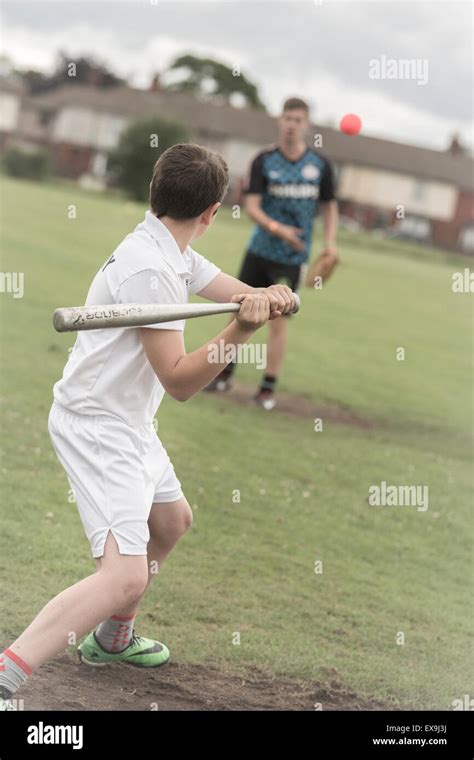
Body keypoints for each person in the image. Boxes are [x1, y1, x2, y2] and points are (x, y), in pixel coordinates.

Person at [0, 143, 296, 710]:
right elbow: (181, 381)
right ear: (212, 214)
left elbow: (230, 290)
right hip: (97, 424)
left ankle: (111, 641)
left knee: (171, 521)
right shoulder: (151, 269)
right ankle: (9, 676)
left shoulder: (170, 249)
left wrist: (264, 296)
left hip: (130, 421)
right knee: (123, 577)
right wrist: (241, 334)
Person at [206, 97, 338, 410]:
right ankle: (223, 374)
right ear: (281, 121)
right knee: (239, 310)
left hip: (292, 260)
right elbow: (251, 207)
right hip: (260, 250)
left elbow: (330, 207)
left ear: (306, 125)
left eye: (298, 120)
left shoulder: (320, 166)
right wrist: (279, 230)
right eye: (287, 118)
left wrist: (331, 243)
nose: (292, 125)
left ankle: (267, 388)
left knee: (278, 321)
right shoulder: (264, 160)